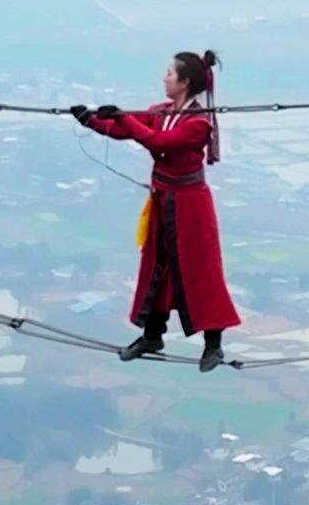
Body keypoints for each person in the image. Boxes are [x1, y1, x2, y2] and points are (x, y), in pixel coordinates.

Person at [72, 50, 241, 372]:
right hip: (164, 198)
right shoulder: (163, 111)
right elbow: (129, 130)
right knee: (157, 265)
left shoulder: (198, 124)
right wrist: (92, 120)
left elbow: (157, 142)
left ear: (184, 82)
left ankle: (213, 345)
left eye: (169, 73)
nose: (164, 79)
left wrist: (122, 117)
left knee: (200, 269)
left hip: (191, 205)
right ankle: (153, 334)